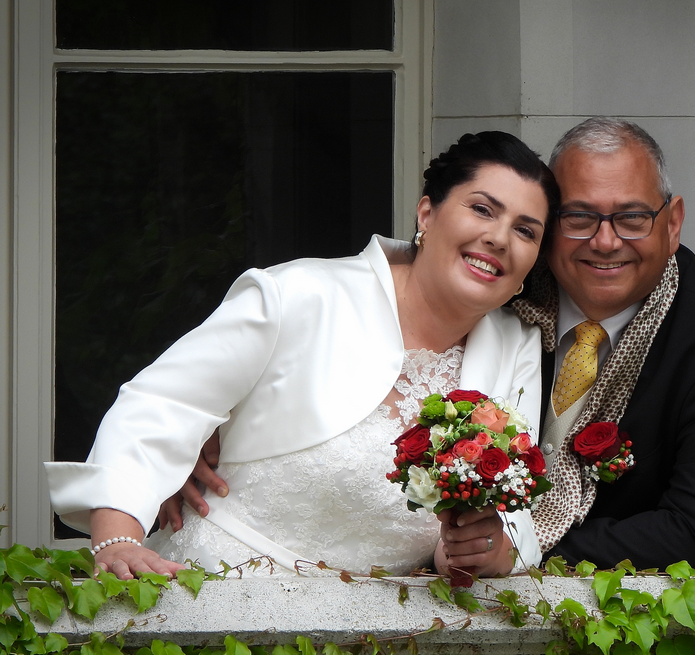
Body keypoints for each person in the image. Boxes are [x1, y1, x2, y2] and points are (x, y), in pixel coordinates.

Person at [45, 131, 560, 581]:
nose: (499, 238)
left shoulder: (516, 348)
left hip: (379, 630)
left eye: (526, 230)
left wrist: (479, 550)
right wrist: (118, 540)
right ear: (427, 213)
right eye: (482, 209)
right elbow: (162, 405)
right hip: (215, 590)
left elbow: (504, 515)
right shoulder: (298, 293)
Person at [515, 117, 695, 573]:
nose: (605, 241)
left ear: (673, 224)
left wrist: (521, 550)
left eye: (632, 217)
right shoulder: (505, 290)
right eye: (579, 217)